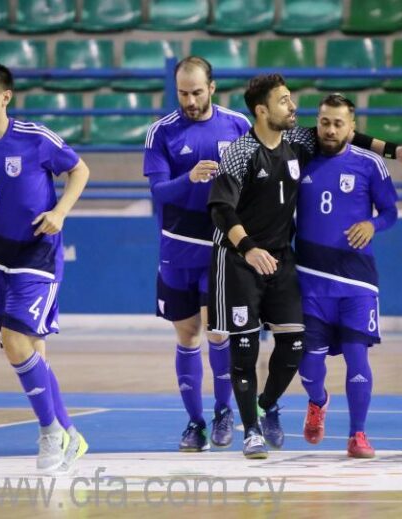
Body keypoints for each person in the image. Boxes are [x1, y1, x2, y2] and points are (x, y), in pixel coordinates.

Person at [208, 74, 398, 459]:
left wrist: (393, 150)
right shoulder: (241, 152)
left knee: (293, 345)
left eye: (291, 99)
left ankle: (267, 404)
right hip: (240, 258)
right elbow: (220, 209)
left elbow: (342, 134)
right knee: (244, 347)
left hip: (282, 259)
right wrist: (247, 249)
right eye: (283, 100)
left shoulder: (297, 141)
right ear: (262, 111)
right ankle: (251, 431)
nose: (292, 106)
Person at [0, 63, 90, 472]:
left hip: (37, 253)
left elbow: (79, 169)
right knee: (30, 351)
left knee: (15, 341)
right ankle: (71, 435)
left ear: (5, 96)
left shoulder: (34, 138)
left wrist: (60, 211)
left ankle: (49, 433)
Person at [143, 56, 251, 451]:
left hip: (220, 246)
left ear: (213, 88)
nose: (190, 101)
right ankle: (194, 423)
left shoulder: (238, 125)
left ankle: (225, 412)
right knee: (187, 335)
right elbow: (157, 192)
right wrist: (187, 179)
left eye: (197, 92)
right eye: (183, 93)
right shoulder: (161, 133)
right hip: (176, 246)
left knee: (219, 330)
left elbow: (255, 183)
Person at [296, 94, 398, 459]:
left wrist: (373, 224)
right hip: (309, 281)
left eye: (339, 123)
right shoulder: (299, 160)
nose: (331, 129)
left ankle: (357, 434)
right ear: (317, 122)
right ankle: (318, 400)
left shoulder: (369, 165)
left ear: (352, 128)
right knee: (308, 363)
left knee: (358, 360)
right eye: (325, 122)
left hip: (356, 283)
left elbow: (390, 212)